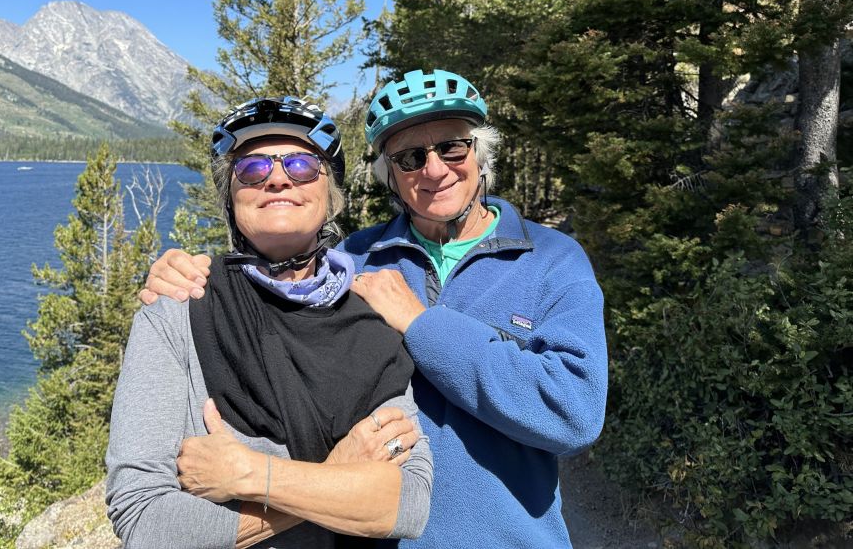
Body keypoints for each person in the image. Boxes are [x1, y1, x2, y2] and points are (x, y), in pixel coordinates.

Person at [142, 70, 608, 548]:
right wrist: (186, 272)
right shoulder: (352, 262)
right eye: (410, 157)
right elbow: (268, 284)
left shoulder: (551, 260)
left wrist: (424, 325)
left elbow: (573, 414)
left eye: (452, 147)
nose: (434, 170)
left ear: (479, 153)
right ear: (391, 176)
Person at [106, 96, 433, 548]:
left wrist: (249, 475)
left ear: (330, 194)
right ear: (231, 197)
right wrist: (337, 475)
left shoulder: (372, 318)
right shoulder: (179, 310)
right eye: (253, 169)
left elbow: (405, 504)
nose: (278, 179)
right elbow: (143, 518)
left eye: (301, 165)